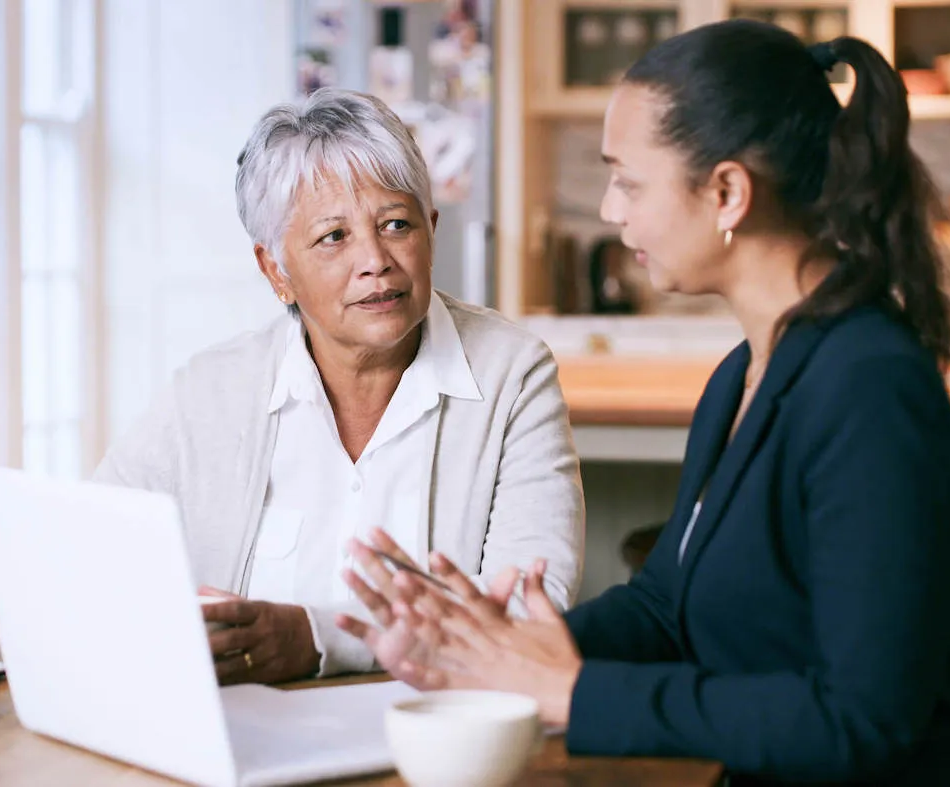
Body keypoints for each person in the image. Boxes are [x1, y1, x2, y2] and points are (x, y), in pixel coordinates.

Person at [339, 20, 950, 786]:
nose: (608, 208)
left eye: (629, 181)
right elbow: (669, 603)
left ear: (728, 192)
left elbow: (862, 717)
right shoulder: (743, 373)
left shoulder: (868, 385)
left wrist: (572, 691)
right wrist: (502, 646)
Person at [93, 88, 584, 686]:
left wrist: (317, 638)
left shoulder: (512, 373)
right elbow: (96, 551)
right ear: (276, 269)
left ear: (430, 232)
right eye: (334, 237)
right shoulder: (210, 391)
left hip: (440, 736)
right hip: (243, 739)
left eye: (396, 224)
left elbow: (534, 601)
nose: (375, 260)